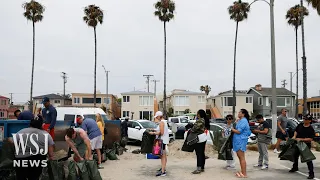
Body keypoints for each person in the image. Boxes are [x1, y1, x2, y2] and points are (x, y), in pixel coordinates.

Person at [290, 114, 315, 179]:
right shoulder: (300, 125)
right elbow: (296, 131)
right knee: (295, 155)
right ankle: (295, 167)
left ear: (309, 121)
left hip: (305, 145)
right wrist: (294, 136)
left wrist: (301, 139)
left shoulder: (311, 129)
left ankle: (311, 173)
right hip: (298, 143)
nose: (304, 120)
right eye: (304, 119)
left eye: (306, 119)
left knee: (308, 159)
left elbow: (310, 139)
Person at [231, 109, 251, 178]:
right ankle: (242, 171)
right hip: (238, 140)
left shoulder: (243, 121)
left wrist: (231, 129)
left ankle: (244, 173)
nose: (238, 113)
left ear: (243, 114)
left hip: (240, 140)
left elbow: (239, 131)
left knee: (242, 157)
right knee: (240, 157)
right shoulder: (240, 121)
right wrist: (236, 122)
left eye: (239, 112)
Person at [149, 111, 169, 177]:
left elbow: (161, 132)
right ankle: (163, 169)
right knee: (164, 156)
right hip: (164, 141)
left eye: (156, 117)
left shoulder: (162, 123)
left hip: (161, 141)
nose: (156, 118)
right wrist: (155, 130)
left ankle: (163, 172)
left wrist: (153, 133)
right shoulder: (164, 122)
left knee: (162, 156)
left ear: (158, 116)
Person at [190, 109, 207, 174]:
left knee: (199, 153)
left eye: (197, 113)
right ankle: (202, 167)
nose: (196, 114)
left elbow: (195, 129)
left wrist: (191, 129)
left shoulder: (200, 120)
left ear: (199, 114)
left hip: (199, 138)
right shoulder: (202, 120)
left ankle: (198, 168)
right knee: (202, 153)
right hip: (202, 138)